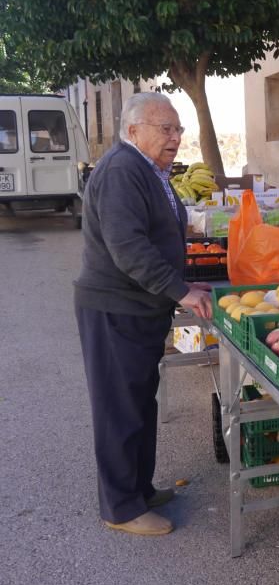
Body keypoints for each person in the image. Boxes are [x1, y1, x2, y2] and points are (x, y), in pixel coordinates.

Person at [74, 92, 212, 536]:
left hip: (140, 307)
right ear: (133, 130)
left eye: (178, 129)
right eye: (165, 129)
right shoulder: (121, 170)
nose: (175, 138)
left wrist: (185, 284)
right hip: (117, 308)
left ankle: (139, 488)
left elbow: (159, 234)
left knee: (138, 403)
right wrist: (180, 291)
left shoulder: (148, 170)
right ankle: (121, 508)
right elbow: (129, 248)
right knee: (119, 407)